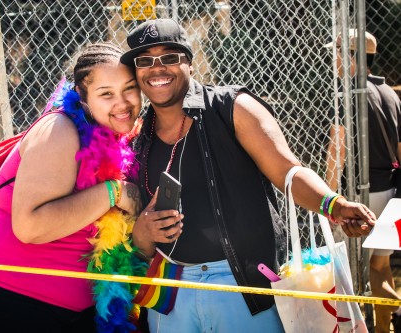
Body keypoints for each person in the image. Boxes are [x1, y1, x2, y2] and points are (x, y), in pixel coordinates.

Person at [120, 18, 377, 333]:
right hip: (169, 289)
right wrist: (144, 232)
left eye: (169, 58)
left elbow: (288, 171)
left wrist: (333, 204)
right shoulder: (137, 135)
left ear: (189, 62)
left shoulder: (232, 107)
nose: (156, 69)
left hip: (240, 282)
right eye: (144, 61)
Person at [0, 43, 145, 333]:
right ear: (82, 98)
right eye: (106, 93)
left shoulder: (119, 133)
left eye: (129, 88)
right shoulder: (60, 131)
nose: (121, 102)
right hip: (11, 299)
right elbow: (30, 226)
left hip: (75, 310)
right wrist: (114, 193)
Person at [324, 29, 401, 333]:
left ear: (352, 57)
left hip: (360, 199)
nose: (334, 58)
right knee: (381, 266)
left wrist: (328, 203)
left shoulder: (346, 96)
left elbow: (336, 151)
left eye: (338, 52)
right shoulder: (390, 94)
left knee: (350, 273)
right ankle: (385, 327)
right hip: (392, 195)